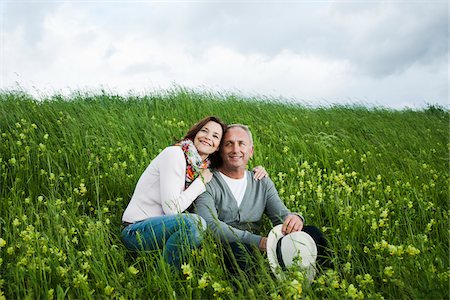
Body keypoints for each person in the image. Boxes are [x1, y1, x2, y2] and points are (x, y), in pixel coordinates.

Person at [121, 117, 267, 268]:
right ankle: (163, 277)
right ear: (195, 133)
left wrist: (254, 172)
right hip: (136, 231)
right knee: (195, 224)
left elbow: (230, 169)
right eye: (204, 131)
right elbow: (172, 209)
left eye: (215, 136)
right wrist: (200, 182)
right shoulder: (175, 155)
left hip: (163, 230)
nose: (208, 137)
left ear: (218, 147)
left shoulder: (200, 167)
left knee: (201, 231)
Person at [194, 124, 331, 272]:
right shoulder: (207, 180)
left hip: (264, 246)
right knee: (238, 251)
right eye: (229, 144)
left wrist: (295, 219)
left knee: (312, 233)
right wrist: (259, 242)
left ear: (251, 151)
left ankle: (326, 278)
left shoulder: (261, 181)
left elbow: (280, 215)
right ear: (220, 150)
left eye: (242, 144)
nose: (235, 150)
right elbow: (210, 225)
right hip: (225, 247)